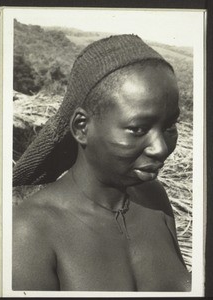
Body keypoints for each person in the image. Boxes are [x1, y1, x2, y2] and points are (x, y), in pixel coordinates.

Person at [12, 34, 191, 291]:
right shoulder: (28, 233)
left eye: (170, 126)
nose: (161, 148)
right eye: (138, 129)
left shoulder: (153, 197)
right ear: (82, 127)